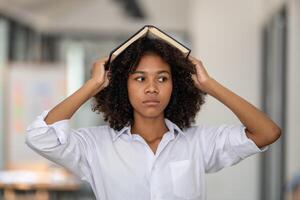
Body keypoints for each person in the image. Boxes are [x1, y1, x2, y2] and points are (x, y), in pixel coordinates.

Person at [25, 36, 281, 200]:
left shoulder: (198, 142)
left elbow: (267, 132)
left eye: (162, 78)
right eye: (139, 78)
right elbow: (40, 136)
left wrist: (209, 84)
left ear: (176, 85)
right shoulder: (96, 145)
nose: (152, 88)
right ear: (121, 86)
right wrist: (93, 84)